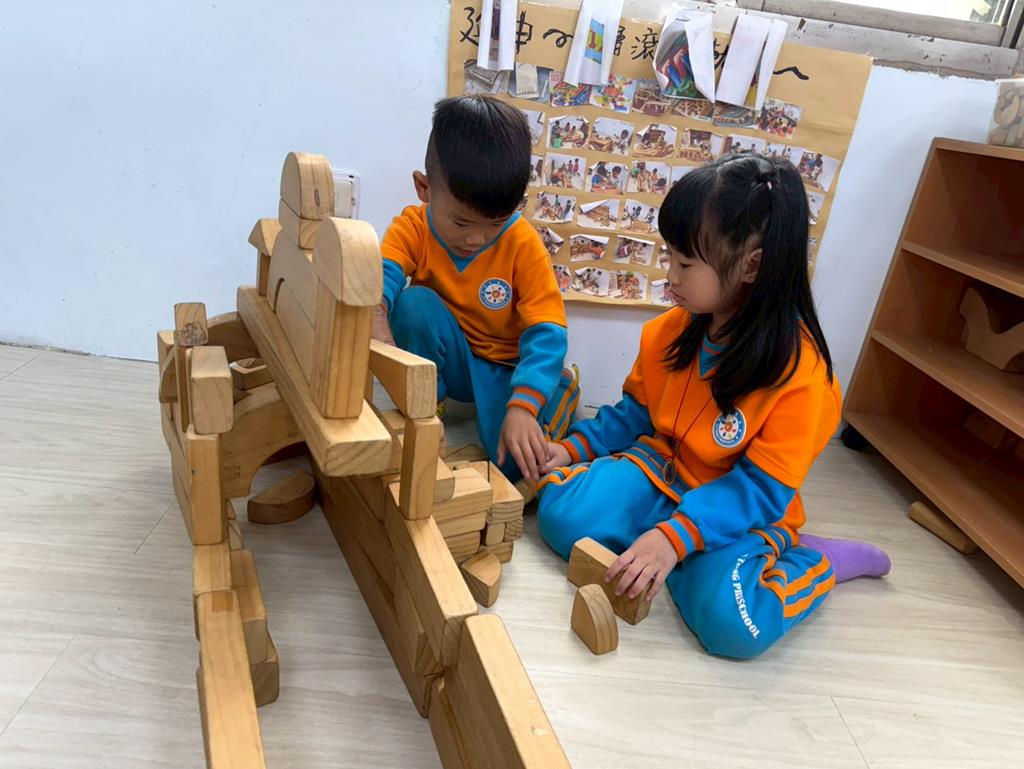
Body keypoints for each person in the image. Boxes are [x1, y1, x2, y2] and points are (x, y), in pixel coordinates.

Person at [535, 154, 889, 659]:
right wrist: (570, 450)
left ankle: (816, 561)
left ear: (752, 265)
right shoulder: (668, 332)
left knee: (733, 627)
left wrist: (674, 539)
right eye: (669, 256)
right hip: (661, 471)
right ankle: (669, 545)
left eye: (684, 263)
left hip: (740, 507)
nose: (669, 275)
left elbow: (758, 490)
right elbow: (634, 414)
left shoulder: (804, 379)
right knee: (560, 517)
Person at [373, 96, 579, 484]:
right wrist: (376, 315)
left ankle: (560, 391)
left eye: (495, 223)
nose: (477, 239)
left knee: (512, 465)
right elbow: (380, 280)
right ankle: (428, 409)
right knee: (412, 305)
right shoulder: (413, 227)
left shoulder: (523, 243)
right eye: (462, 222)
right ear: (424, 188)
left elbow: (547, 331)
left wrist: (523, 407)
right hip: (454, 360)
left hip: (505, 367)